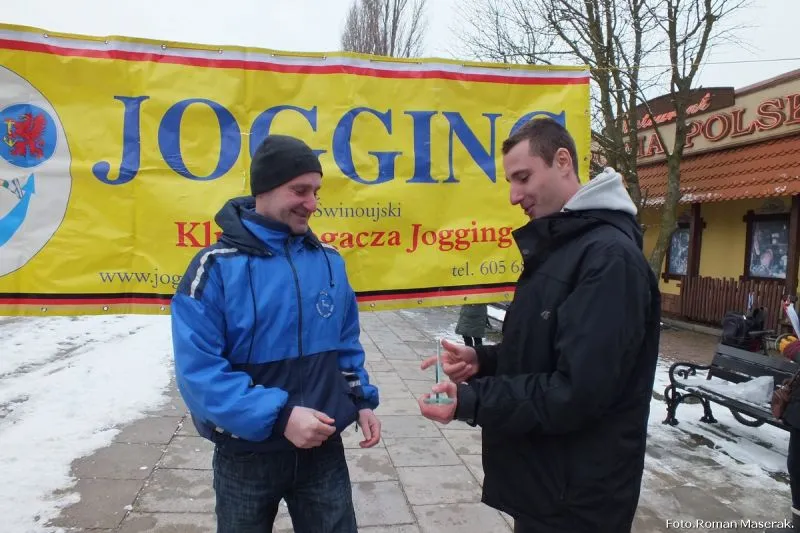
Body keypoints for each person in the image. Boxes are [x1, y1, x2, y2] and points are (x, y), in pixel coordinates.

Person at [417, 117, 661, 533]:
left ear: (562, 161)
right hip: (549, 484)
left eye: (523, 177)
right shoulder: (567, 243)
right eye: (511, 182)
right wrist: (484, 361)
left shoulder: (608, 259)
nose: (514, 196)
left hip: (578, 501)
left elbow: (576, 391)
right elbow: (548, 349)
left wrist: (472, 401)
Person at [171, 134, 381, 533]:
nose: (312, 203)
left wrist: (360, 401)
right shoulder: (214, 268)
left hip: (323, 448)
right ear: (264, 190)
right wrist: (281, 416)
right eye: (300, 190)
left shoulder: (329, 262)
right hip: (246, 454)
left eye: (316, 191)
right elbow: (199, 373)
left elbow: (345, 345)